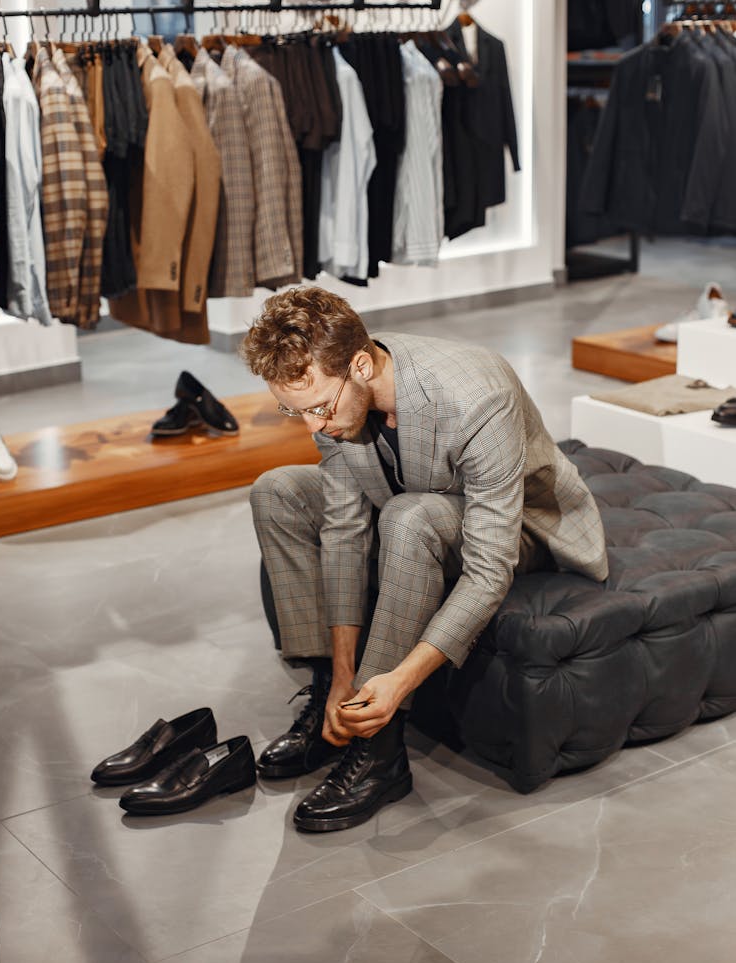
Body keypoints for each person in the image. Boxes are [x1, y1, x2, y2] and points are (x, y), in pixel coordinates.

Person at [242, 287, 608, 833]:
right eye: (294, 411)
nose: (312, 427)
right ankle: (329, 701)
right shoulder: (335, 395)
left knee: (408, 519)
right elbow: (343, 526)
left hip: (526, 525)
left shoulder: (475, 395)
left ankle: (380, 750)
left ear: (361, 365)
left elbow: (489, 567)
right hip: (418, 496)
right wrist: (343, 675)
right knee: (278, 491)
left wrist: (397, 682)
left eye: (317, 408)